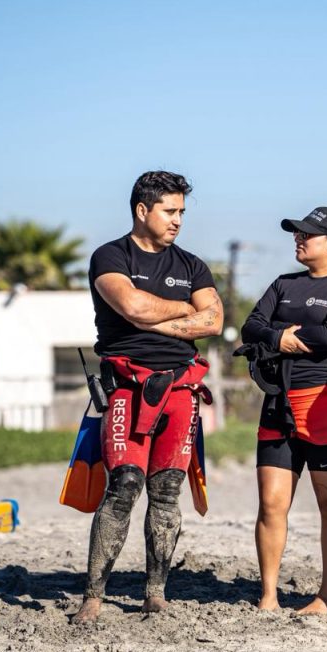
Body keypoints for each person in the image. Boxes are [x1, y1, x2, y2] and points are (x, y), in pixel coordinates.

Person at [72, 170, 223, 624]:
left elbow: (214, 321)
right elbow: (131, 306)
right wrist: (183, 310)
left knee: (167, 490)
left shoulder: (192, 265)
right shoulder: (110, 256)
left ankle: (155, 592)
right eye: (169, 211)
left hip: (181, 388)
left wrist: (152, 318)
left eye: (182, 212)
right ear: (142, 210)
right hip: (127, 387)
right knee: (124, 486)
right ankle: (93, 596)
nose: (178, 220)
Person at [237, 207, 327, 615]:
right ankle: (268, 596)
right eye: (296, 233)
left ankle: (326, 597)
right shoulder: (284, 283)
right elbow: (251, 327)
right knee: (271, 503)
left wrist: (279, 336)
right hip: (278, 402)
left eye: (306, 234)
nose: (298, 239)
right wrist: (281, 337)